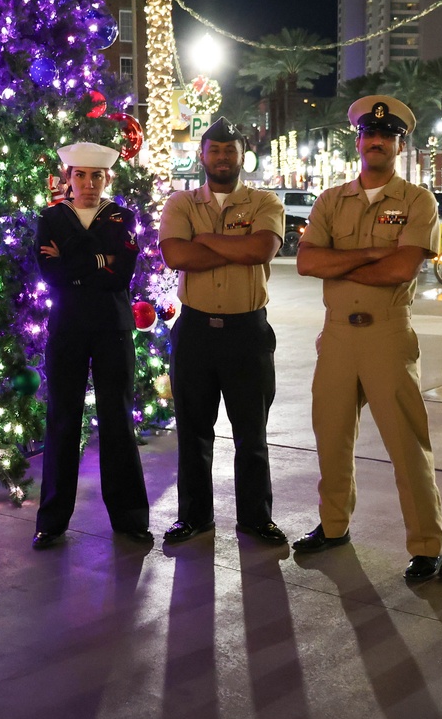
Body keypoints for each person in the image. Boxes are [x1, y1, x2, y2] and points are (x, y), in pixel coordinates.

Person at [292, 95, 442, 582]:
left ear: (401, 145)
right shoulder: (331, 200)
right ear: (358, 141)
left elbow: (403, 268)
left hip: (387, 336)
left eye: (388, 136)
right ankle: (334, 526)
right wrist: (370, 258)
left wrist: (342, 256)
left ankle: (427, 544)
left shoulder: (417, 201)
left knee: (406, 444)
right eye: (368, 134)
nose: (376, 141)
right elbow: (307, 262)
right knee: (331, 438)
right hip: (336, 336)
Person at [158, 117, 288, 546]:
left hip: (246, 333)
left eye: (230, 149)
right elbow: (176, 255)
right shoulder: (180, 203)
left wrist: (205, 240)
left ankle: (256, 518)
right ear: (202, 155)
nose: (222, 157)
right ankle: (194, 517)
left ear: (241, 155)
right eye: (215, 149)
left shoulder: (265, 201)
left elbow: (260, 249)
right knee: (193, 432)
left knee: (252, 433)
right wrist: (232, 247)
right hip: (194, 331)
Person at [33, 142, 151, 549]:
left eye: (95, 176)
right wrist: (100, 259)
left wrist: (72, 260)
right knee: (62, 420)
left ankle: (130, 518)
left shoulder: (123, 218)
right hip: (67, 328)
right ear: (67, 179)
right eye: (79, 175)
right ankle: (51, 520)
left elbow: (122, 275)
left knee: (117, 419)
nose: (87, 183)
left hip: (111, 328)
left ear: (107, 179)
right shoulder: (50, 218)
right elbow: (50, 274)